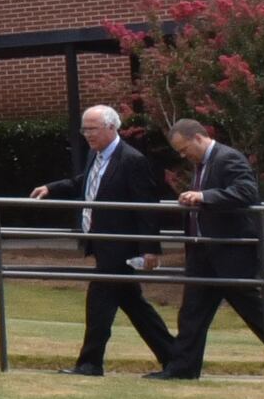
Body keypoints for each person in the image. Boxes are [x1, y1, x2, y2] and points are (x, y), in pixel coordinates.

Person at [148, 116, 264, 384]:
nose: (183, 155)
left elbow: (246, 192)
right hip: (204, 252)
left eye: (184, 149)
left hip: (232, 253)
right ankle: (183, 368)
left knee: (255, 314)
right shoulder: (202, 164)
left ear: (198, 137)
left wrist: (204, 196)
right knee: (192, 314)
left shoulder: (227, 158)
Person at [28, 104, 174, 376]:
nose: (87, 134)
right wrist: (52, 188)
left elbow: (147, 207)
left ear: (111, 127)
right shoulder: (95, 155)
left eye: (92, 129)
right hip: (101, 243)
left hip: (120, 245)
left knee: (100, 301)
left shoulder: (131, 160)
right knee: (134, 305)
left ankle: (90, 363)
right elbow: (86, 182)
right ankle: (173, 358)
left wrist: (150, 249)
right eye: (84, 129)